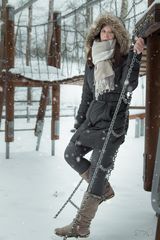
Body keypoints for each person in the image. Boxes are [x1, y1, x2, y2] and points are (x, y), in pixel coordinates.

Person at [55, 13, 144, 238]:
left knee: (97, 173)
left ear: (117, 35)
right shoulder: (92, 58)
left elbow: (128, 85)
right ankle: (102, 188)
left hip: (112, 121)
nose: (107, 35)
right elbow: (87, 93)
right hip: (92, 119)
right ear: (97, 34)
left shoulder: (124, 57)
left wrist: (136, 57)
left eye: (111, 32)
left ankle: (81, 225)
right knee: (70, 153)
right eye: (104, 31)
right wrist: (79, 121)